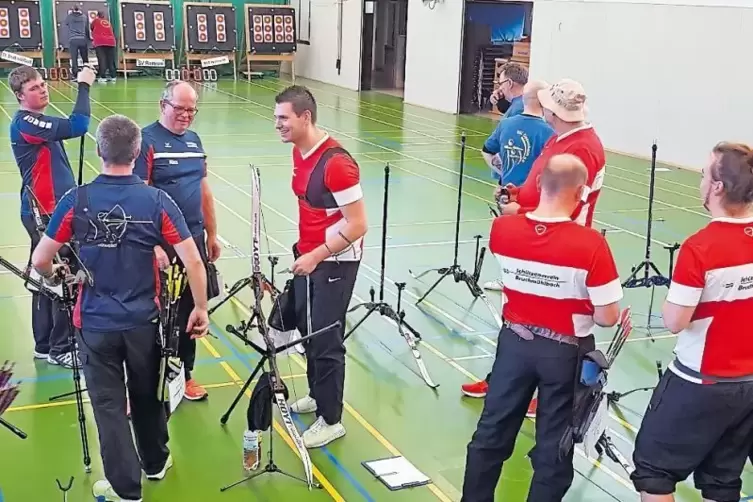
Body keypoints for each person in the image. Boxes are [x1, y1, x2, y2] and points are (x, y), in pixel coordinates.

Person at [30, 114, 209, 502]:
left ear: (98, 151)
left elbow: (40, 260)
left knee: (109, 406)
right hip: (144, 321)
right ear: (138, 152)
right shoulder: (157, 200)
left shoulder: (76, 200)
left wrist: (60, 273)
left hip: (94, 326)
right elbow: (193, 260)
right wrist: (200, 307)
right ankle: (156, 463)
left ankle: (126, 489)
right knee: (147, 394)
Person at [461, 154, 622, 502]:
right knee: (554, 446)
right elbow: (608, 317)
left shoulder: (502, 230)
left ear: (537, 185)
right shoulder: (591, 244)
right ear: (581, 193)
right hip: (566, 353)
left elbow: (526, 233)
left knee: (491, 433)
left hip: (514, 345)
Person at [630, 142, 753, 502]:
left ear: (717, 187)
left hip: (700, 381)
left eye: (704, 175)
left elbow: (674, 320)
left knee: (653, 471)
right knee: (722, 479)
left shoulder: (701, 247)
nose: (700, 182)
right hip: (748, 385)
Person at [273, 85, 367, 448]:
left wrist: (316, 255)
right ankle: (317, 393)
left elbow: (357, 224)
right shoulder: (300, 152)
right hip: (309, 255)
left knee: (326, 339)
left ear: (305, 117)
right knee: (307, 328)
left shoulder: (337, 165)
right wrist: (305, 250)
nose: (277, 125)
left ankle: (331, 419)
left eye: (283, 118)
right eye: (276, 118)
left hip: (334, 263)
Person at [133, 80, 219, 402]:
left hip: (193, 241)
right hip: (161, 246)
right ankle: (144, 382)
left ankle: (184, 374)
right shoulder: (146, 141)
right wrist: (153, 245)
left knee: (189, 311)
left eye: (190, 109)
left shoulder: (195, 141)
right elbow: (138, 196)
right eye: (178, 108)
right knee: (153, 314)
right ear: (162, 105)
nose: (185, 115)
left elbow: (203, 190)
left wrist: (212, 232)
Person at [9, 65, 95, 369]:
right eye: (34, 88)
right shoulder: (27, 123)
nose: (43, 89)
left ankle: (45, 345)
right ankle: (61, 347)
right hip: (45, 214)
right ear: (20, 96)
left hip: (48, 211)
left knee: (45, 279)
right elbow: (79, 124)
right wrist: (83, 86)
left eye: (43, 84)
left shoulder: (37, 121)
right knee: (62, 277)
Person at [91, 11, 117, 82]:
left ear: (97, 16)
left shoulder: (96, 20)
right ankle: (113, 76)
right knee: (111, 60)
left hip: (100, 42)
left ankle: (103, 77)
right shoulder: (108, 22)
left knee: (102, 60)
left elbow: (91, 27)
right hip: (111, 42)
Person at [64, 5, 90, 79]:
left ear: (73, 10)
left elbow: (66, 23)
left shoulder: (70, 17)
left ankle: (75, 75)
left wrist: (70, 13)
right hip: (83, 39)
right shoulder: (84, 17)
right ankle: (87, 73)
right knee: (85, 58)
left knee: (74, 58)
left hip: (73, 39)